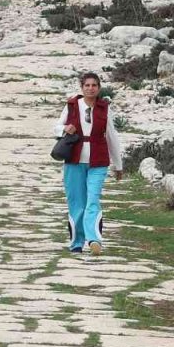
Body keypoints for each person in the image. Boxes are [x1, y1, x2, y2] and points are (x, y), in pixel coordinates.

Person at [55, 73, 123, 255]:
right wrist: (64, 129)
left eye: (94, 85)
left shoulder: (104, 108)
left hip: (98, 161)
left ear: (99, 88)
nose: (90, 88)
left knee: (93, 200)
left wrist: (118, 164)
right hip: (74, 161)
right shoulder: (71, 106)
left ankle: (94, 239)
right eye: (87, 85)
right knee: (76, 202)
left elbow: (112, 136)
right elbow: (56, 127)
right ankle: (77, 242)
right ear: (82, 87)